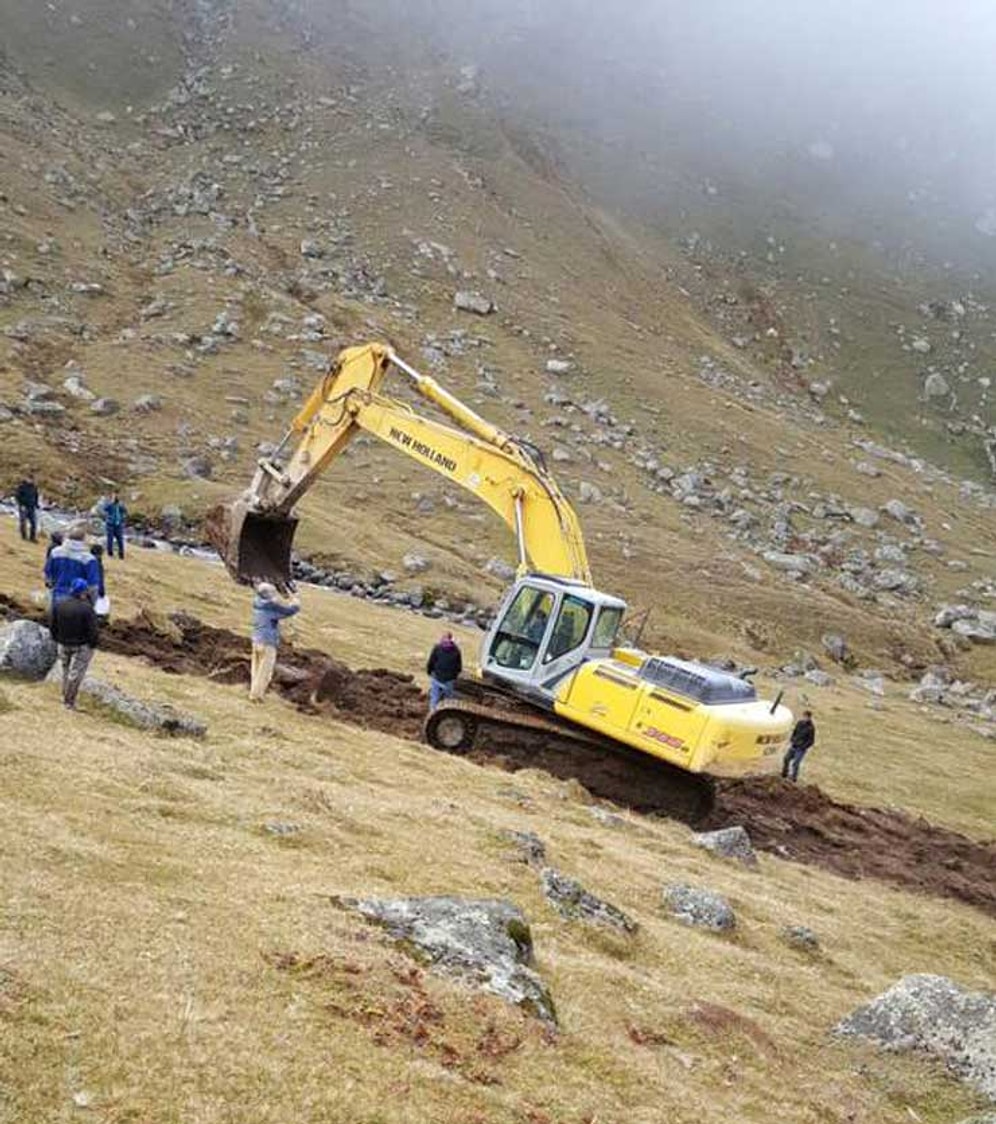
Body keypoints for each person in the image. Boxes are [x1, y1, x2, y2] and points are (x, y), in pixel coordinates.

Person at [49, 577, 99, 710]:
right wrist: (92, 645)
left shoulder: (59, 605)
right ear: (83, 592)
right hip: (81, 645)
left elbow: (52, 625)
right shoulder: (87, 609)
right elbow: (93, 630)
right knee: (76, 673)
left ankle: (64, 695)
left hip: (63, 642)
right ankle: (69, 701)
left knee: (65, 670)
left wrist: (56, 638)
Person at [250, 582, 300, 703]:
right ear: (267, 595)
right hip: (268, 642)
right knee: (265, 672)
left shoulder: (258, 604)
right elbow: (289, 611)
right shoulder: (270, 606)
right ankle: (256, 697)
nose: (275, 595)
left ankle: (254, 693)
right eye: (273, 593)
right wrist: (296, 602)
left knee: (256, 670)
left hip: (256, 640)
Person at [44, 524, 100, 606]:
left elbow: (48, 576)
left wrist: (52, 589)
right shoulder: (89, 559)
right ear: (83, 539)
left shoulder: (55, 552)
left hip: (57, 597)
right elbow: (93, 586)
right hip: (79, 601)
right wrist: (93, 603)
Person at [426, 631, 462, 710]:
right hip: (449, 679)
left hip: (437, 677)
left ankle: (432, 713)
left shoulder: (437, 648)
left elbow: (431, 661)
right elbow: (459, 667)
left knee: (434, 699)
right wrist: (454, 677)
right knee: (447, 701)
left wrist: (429, 671)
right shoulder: (456, 651)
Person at [782, 710, 816, 782]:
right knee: (786, 759)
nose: (804, 718)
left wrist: (803, 746)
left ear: (809, 717)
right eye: (803, 716)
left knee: (796, 763)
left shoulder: (811, 728)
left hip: (800, 749)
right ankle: (784, 773)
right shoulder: (799, 723)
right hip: (793, 746)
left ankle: (793, 778)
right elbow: (794, 732)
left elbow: (811, 741)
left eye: (806, 717)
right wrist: (792, 739)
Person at [15, 474, 40, 543]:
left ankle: (32, 537)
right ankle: (24, 536)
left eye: (32, 479)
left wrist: (36, 504)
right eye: (29, 479)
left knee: (34, 523)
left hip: (32, 507)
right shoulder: (21, 487)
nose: (31, 481)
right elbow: (17, 496)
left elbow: (36, 496)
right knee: (23, 522)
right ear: (26, 479)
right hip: (24, 507)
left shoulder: (34, 487)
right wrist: (21, 504)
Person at [103, 491, 127, 559]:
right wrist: (111, 502)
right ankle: (110, 553)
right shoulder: (109, 503)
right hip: (110, 524)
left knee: (120, 540)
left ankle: (121, 554)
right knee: (110, 539)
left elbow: (125, 511)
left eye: (116, 496)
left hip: (119, 524)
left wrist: (123, 518)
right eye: (114, 496)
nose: (116, 497)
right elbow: (105, 508)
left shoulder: (121, 504)